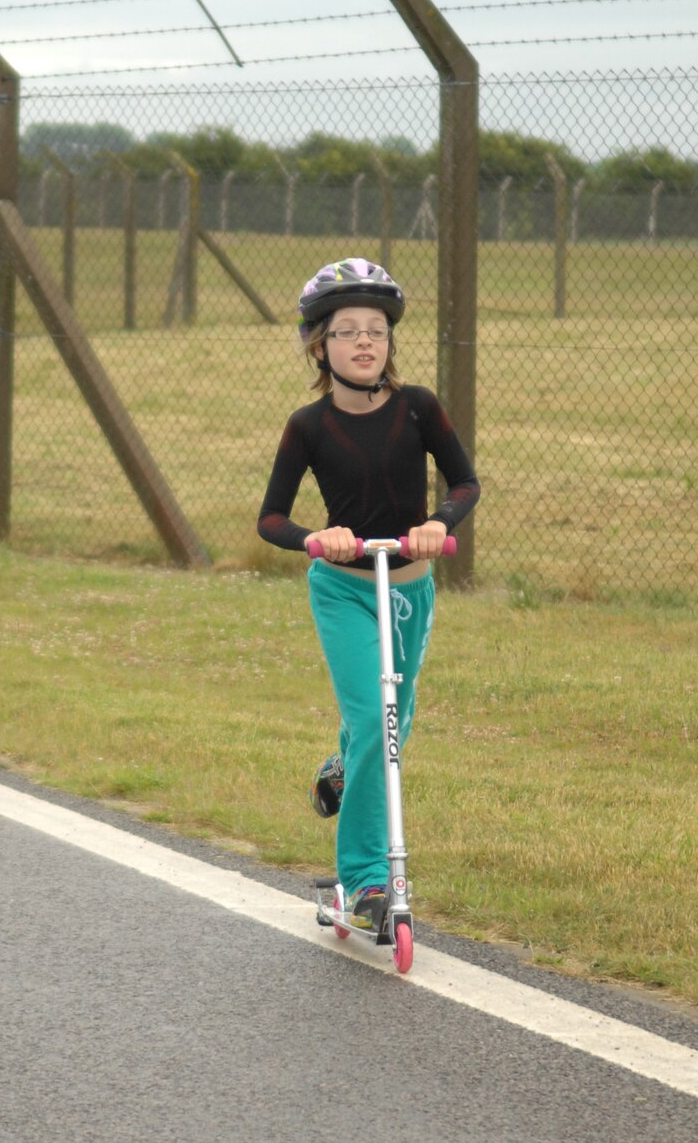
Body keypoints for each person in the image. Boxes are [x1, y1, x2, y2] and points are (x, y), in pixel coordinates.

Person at [256, 258, 480, 934]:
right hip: (345, 592)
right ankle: (366, 882)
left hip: (410, 588)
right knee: (374, 719)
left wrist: (439, 523)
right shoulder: (308, 426)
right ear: (319, 345)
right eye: (347, 330)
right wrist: (317, 539)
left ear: (390, 343)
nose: (363, 342)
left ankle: (340, 773)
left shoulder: (419, 408)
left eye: (376, 331)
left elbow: (465, 483)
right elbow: (271, 519)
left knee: (393, 727)